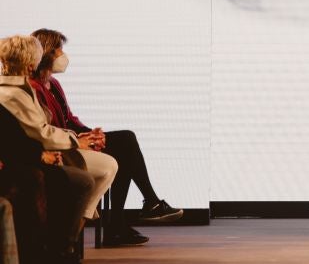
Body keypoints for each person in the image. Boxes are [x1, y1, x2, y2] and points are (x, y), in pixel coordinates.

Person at [29, 29, 183, 247]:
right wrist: (80, 139)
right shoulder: (33, 88)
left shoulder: (52, 83)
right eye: (58, 51)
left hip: (71, 140)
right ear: (45, 54)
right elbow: (48, 128)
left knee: (125, 143)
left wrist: (92, 133)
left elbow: (68, 118)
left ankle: (133, 214)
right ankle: (138, 211)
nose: (63, 56)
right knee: (125, 144)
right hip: (60, 147)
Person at [0, 34, 116, 261]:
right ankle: (61, 246)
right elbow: (39, 132)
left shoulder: (28, 87)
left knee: (108, 157)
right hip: (30, 158)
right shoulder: (14, 93)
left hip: (41, 151)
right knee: (83, 180)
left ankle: (66, 242)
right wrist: (73, 143)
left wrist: (81, 136)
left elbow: (51, 125)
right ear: (31, 63)